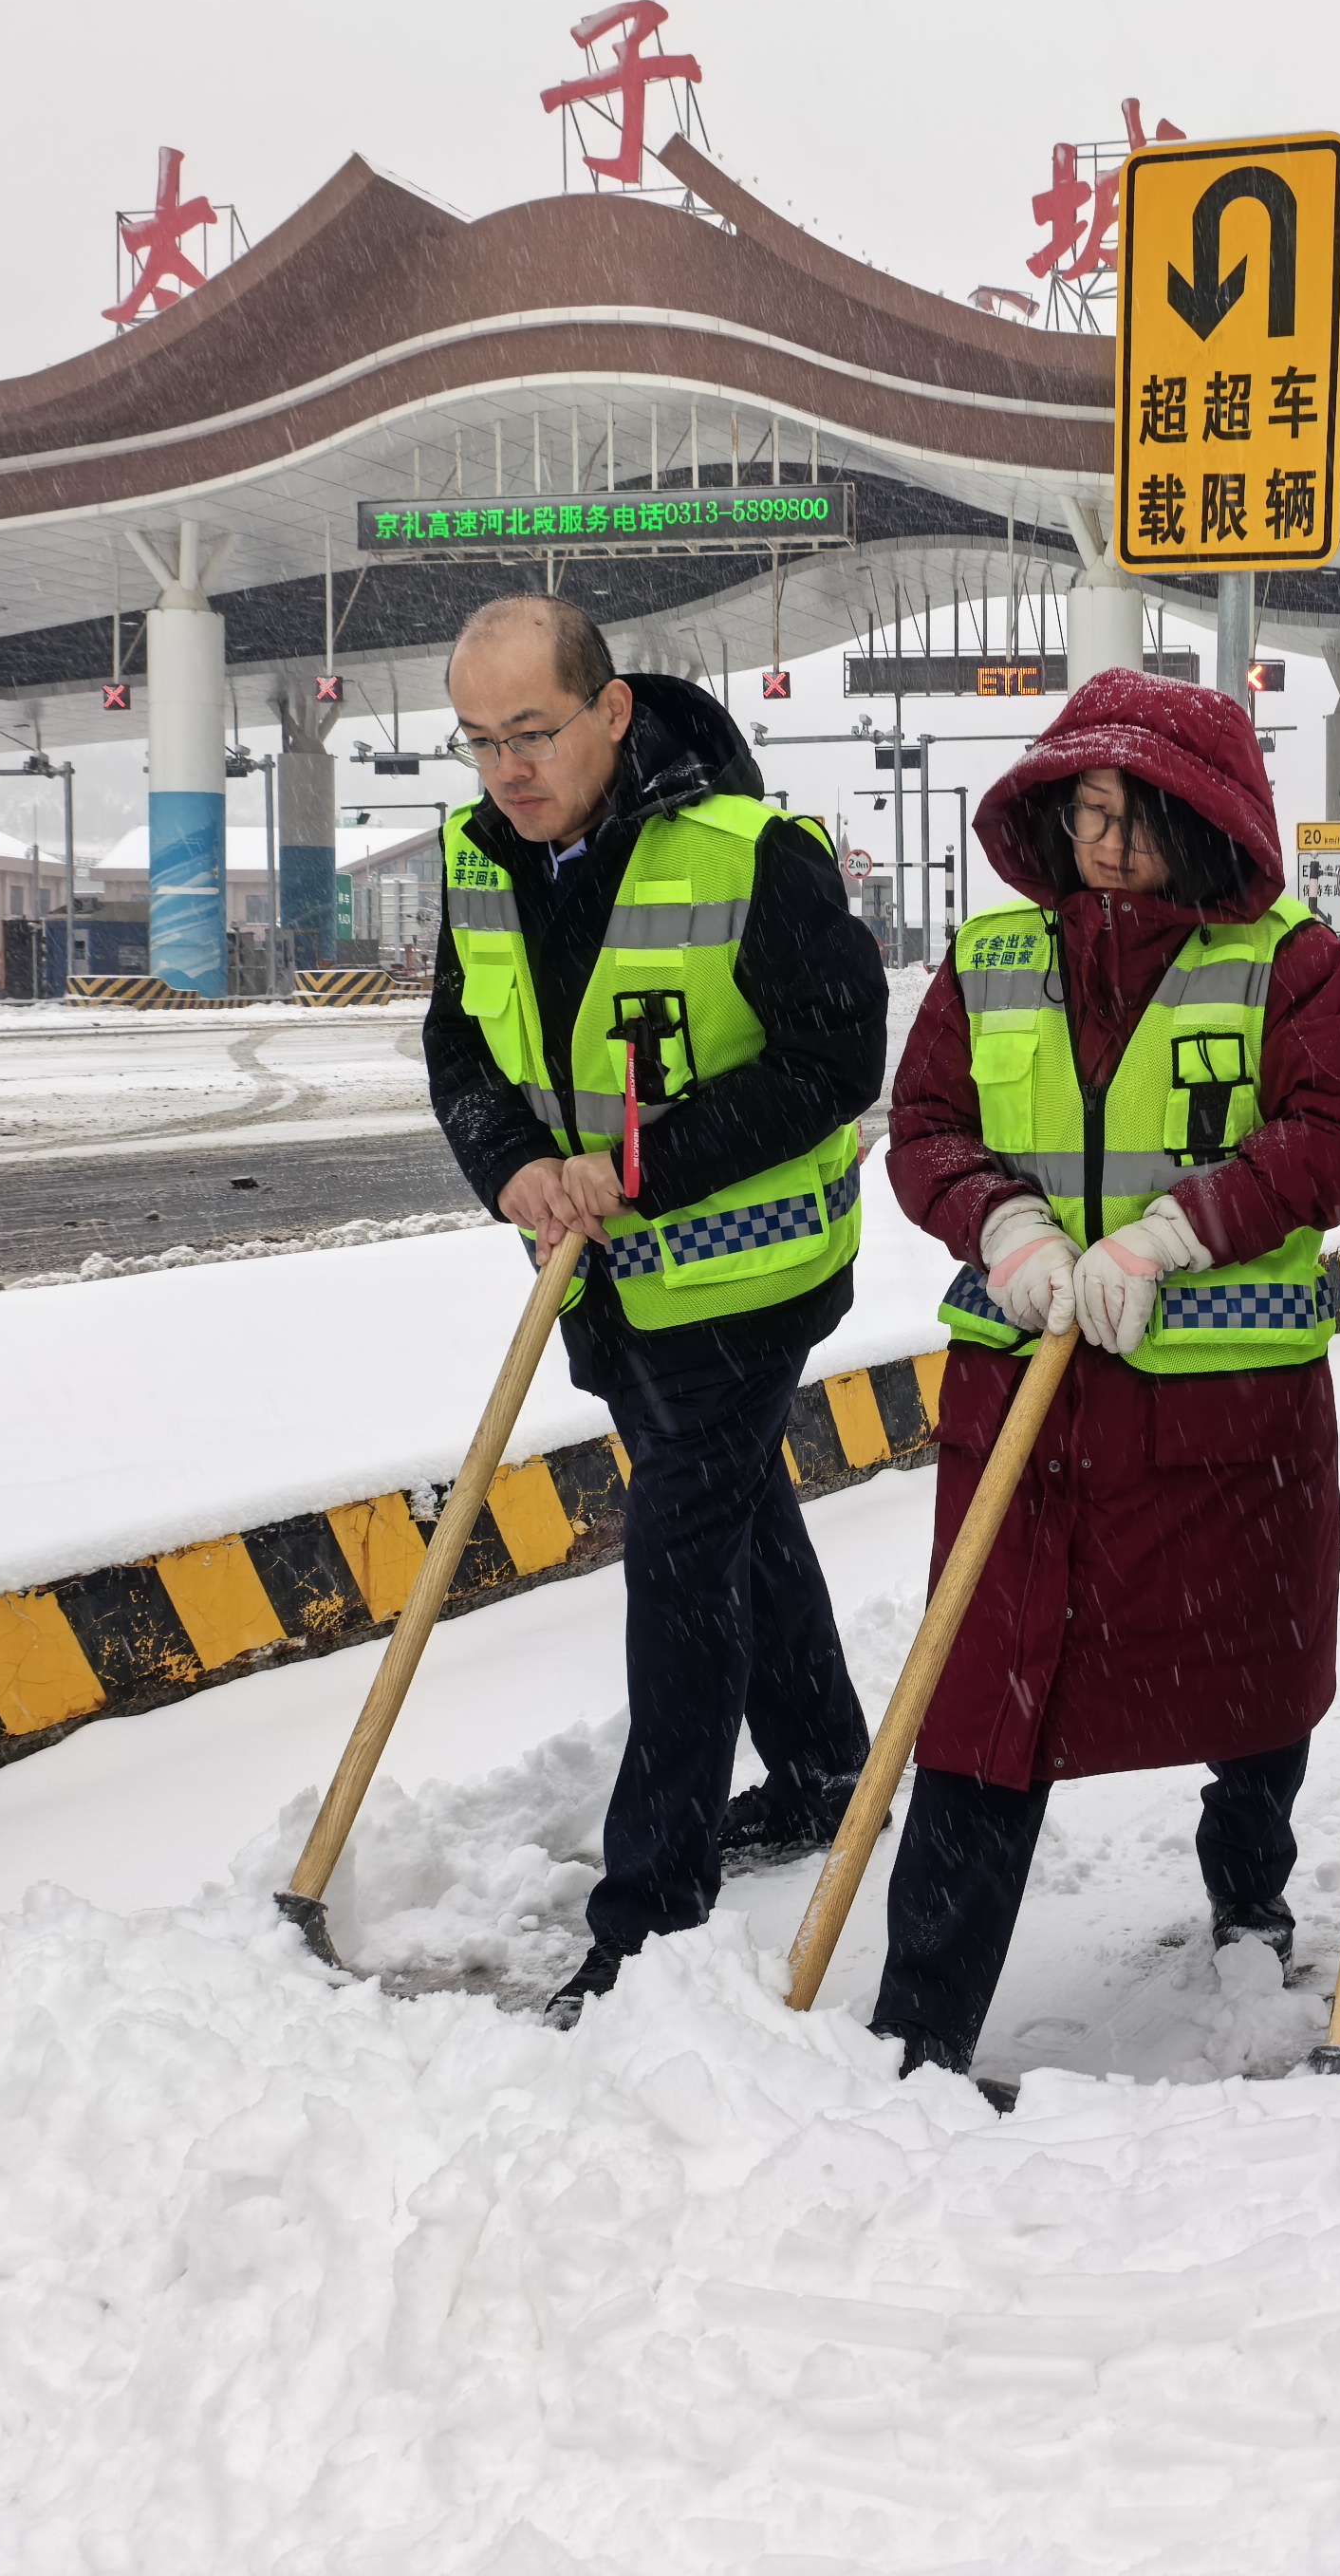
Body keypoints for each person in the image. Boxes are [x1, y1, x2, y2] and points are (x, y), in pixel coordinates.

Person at [872, 668, 1340, 2087]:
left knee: (1250, 1692)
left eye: (1139, 819)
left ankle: (1250, 1904)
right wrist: (1001, 1221)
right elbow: (922, 1124)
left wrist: (1183, 1229)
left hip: (1226, 1414)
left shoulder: (1292, 963)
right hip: (1028, 1402)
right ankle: (923, 2018)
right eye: (1086, 813)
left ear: (1210, 826)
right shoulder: (990, 956)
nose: (1106, 845)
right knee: (986, 1693)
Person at [420, 595, 887, 2025]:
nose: (507, 769)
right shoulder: (479, 858)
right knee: (739, 1513)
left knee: (680, 1563)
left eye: (534, 733)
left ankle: (647, 1919)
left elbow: (835, 1055)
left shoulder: (753, 857)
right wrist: (512, 1173)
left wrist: (634, 1168)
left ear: (611, 712)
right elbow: (459, 1040)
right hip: (604, 1274)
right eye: (481, 741)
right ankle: (820, 1770)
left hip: (750, 1274)